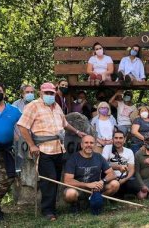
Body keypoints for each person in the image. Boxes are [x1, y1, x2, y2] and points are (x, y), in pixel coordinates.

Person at [17, 82, 87, 221]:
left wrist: (77, 132)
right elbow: (22, 126)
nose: (49, 95)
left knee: (55, 179)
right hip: (43, 149)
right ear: (41, 93)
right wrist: (32, 145)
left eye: (52, 93)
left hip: (58, 148)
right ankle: (48, 211)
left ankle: (52, 207)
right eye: (47, 93)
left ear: (55, 93)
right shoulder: (33, 106)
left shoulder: (57, 107)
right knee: (48, 180)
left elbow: (65, 124)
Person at [0, 82, 21, 223]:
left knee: (8, 177)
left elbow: (24, 125)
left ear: (4, 93)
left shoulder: (14, 110)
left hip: (6, 150)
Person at [64, 135, 120, 214]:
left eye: (91, 143)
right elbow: (67, 181)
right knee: (70, 193)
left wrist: (102, 181)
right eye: (86, 143)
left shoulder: (98, 157)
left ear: (94, 145)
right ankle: (76, 205)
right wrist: (87, 185)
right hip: (80, 188)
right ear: (81, 145)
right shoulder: (73, 158)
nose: (89, 145)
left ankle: (98, 201)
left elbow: (112, 174)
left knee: (115, 184)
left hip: (96, 189)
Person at [102, 130, 140, 198]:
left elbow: (131, 170)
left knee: (136, 187)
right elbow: (103, 164)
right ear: (113, 139)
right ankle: (114, 194)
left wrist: (124, 180)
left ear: (124, 139)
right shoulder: (107, 148)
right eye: (116, 138)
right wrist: (118, 167)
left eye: (120, 138)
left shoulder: (129, 151)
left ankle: (118, 194)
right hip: (110, 178)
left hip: (123, 178)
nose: (118, 140)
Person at [13, 84, 35, 173]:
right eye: (27, 92)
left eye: (32, 92)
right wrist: (15, 134)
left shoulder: (37, 104)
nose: (30, 94)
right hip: (19, 137)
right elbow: (12, 121)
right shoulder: (16, 104)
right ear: (22, 94)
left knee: (32, 161)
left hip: (34, 138)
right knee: (19, 160)